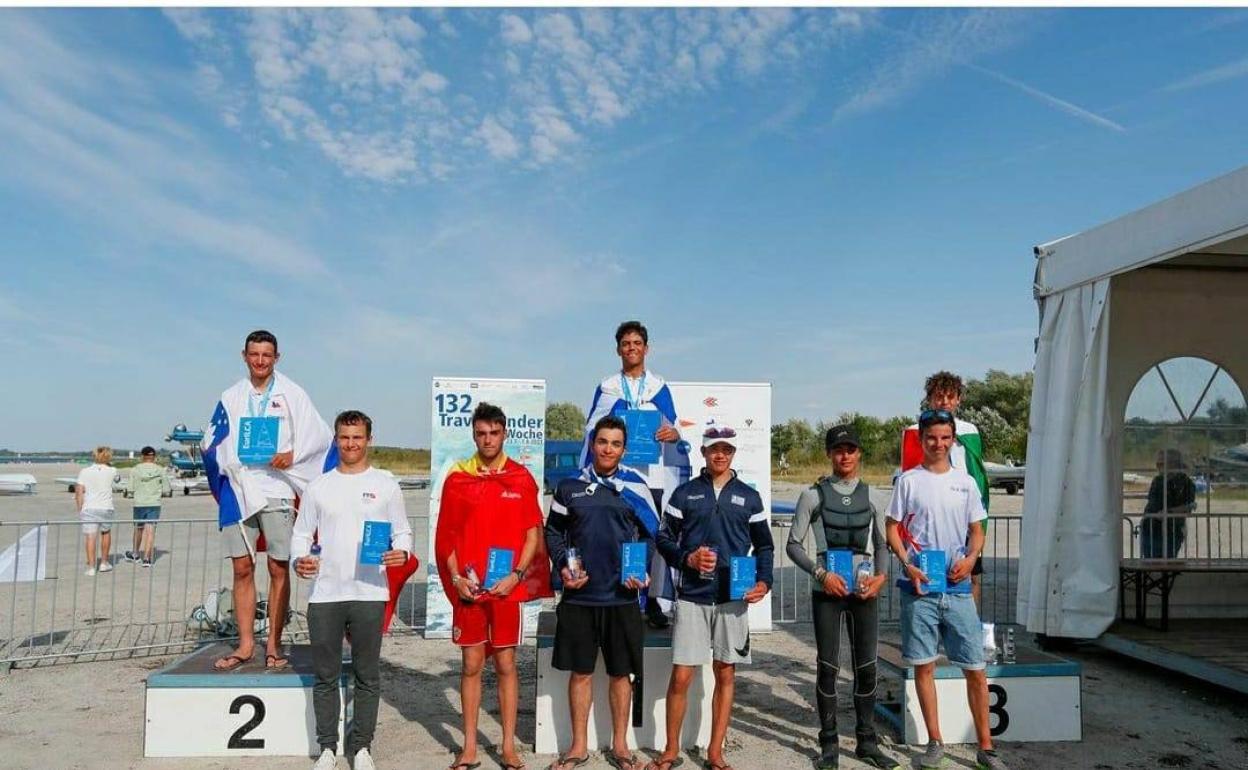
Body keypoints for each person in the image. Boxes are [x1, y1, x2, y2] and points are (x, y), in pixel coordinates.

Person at [202, 329, 336, 672]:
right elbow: (213, 438)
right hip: (240, 487)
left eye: (267, 355)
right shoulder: (231, 396)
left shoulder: (292, 393)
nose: (260, 361)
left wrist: (293, 455)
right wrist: (229, 459)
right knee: (241, 568)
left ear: (277, 358)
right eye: (254, 354)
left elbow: (320, 437)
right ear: (244, 356)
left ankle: (274, 643)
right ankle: (246, 644)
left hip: (277, 488)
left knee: (279, 567)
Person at [885, 409, 1008, 770]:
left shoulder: (966, 483)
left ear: (953, 440)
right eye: (931, 438)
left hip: (957, 589)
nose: (938, 444)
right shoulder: (908, 481)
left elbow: (978, 531)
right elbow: (891, 527)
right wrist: (907, 564)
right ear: (921, 440)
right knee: (924, 668)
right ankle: (935, 742)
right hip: (920, 589)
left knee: (975, 668)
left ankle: (986, 747)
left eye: (944, 438)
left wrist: (971, 559)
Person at [435, 402, 553, 770]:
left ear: (505, 434)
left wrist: (516, 575)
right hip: (470, 590)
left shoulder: (519, 477)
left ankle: (507, 747)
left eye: (494, 433)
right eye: (481, 433)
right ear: (474, 435)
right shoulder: (458, 478)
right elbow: (446, 538)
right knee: (471, 664)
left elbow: (532, 533)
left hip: (506, 588)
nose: (488, 439)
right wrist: (456, 578)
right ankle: (469, 747)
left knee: (506, 663)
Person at [292, 410, 412, 770]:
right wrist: (299, 560)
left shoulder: (386, 484)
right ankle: (327, 749)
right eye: (344, 437)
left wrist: (402, 552)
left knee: (367, 675)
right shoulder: (318, 486)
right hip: (326, 594)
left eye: (357, 437)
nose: (351, 444)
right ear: (336, 439)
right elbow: (301, 535)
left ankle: (361, 748)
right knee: (325, 676)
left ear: (369, 439)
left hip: (369, 593)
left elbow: (402, 531)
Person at [648, 423, 773, 770]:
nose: (720, 455)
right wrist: (686, 558)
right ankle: (671, 750)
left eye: (726, 449)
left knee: (726, 673)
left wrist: (764, 581)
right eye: (714, 449)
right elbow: (663, 538)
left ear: (733, 453)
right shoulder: (685, 493)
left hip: (733, 598)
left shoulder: (749, 497)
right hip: (693, 595)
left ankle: (715, 752)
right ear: (703, 451)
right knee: (682, 676)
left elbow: (764, 545)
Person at [544, 415, 658, 770]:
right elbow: (553, 533)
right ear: (592, 445)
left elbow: (651, 535)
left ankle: (621, 747)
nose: (608, 449)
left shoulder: (635, 486)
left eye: (616, 444)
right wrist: (562, 565)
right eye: (603, 442)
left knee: (620, 674)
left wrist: (641, 569)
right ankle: (578, 747)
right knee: (580, 674)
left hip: (622, 597)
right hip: (579, 597)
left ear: (624, 449)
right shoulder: (570, 486)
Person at [785, 425, 898, 770]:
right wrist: (821, 574)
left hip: (863, 591)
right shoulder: (812, 495)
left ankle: (867, 742)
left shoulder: (875, 496)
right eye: (838, 449)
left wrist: (881, 578)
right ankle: (829, 744)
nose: (844, 455)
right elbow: (793, 545)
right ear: (829, 454)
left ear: (859, 453)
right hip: (827, 592)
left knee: (866, 668)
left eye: (850, 449)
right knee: (828, 667)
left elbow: (882, 544)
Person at [582, 320, 690, 629]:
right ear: (618, 349)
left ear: (646, 348)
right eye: (626, 343)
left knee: (653, 537)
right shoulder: (607, 388)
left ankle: (652, 598)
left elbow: (675, 426)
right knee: (615, 534)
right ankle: (613, 594)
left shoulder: (659, 387)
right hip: (617, 476)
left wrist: (674, 433)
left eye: (637, 343)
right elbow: (591, 428)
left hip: (652, 477)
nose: (631, 348)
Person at [901, 372, 990, 607]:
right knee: (926, 574)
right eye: (939, 396)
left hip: (963, 511)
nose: (945, 402)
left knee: (971, 574)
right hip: (928, 516)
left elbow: (978, 476)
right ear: (929, 399)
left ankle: (969, 619)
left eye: (951, 397)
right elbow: (908, 473)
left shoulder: (969, 431)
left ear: (958, 399)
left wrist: (979, 516)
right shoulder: (915, 431)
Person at [1140, 448, 1197, 558]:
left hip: (1172, 530)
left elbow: (1189, 507)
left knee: (1168, 561)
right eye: (1157, 463)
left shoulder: (1186, 483)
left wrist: (1168, 512)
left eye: (1162, 463)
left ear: (1173, 464)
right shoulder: (1158, 480)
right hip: (1151, 527)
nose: (1158, 467)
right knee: (1149, 560)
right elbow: (1152, 502)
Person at [75, 446, 120, 576]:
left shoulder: (85, 471)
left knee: (90, 536)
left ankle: (91, 567)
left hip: (89, 506)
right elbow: (118, 480)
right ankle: (104, 562)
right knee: (106, 533)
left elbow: (79, 492)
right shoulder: (113, 470)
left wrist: (80, 508)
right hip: (106, 506)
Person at [125, 446, 171, 567]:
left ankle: (135, 553)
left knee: (138, 528)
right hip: (154, 503)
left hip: (139, 503)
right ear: (154, 456)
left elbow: (130, 489)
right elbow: (167, 489)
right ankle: (147, 558)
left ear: (142, 456)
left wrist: (131, 494)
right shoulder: (160, 470)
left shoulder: (135, 469)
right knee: (150, 530)